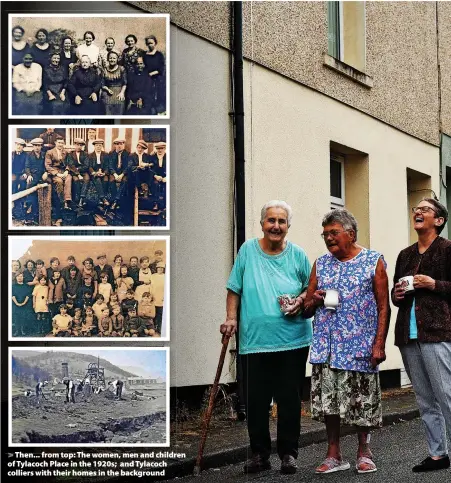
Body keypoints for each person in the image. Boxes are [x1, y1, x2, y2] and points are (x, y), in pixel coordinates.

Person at [221, 200, 312, 475]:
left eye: (281, 221)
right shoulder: (248, 250)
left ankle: (288, 454)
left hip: (293, 340)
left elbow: (312, 288)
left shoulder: (297, 255)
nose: (276, 226)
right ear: (262, 224)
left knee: (289, 400)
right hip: (254, 341)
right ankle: (259, 454)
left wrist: (301, 299)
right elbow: (234, 288)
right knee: (256, 402)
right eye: (271, 220)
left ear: (288, 226)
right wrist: (231, 318)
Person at [300, 208, 390, 474]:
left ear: (350, 234)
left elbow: (384, 307)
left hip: (360, 344)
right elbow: (306, 308)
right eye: (325, 234)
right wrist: (313, 300)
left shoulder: (373, 261)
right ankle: (334, 454)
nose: (328, 238)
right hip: (327, 347)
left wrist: (379, 343)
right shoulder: (321, 263)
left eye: (334, 233)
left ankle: (364, 451)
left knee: (361, 401)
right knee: (329, 402)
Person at [392, 198, 451, 473]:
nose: (417, 211)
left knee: (446, 395)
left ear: (438, 220)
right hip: (408, 333)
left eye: (424, 209)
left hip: (438, 331)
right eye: (415, 208)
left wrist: (434, 283)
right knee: (425, 399)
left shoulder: (448, 250)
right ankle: (438, 455)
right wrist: (397, 294)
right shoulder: (405, 255)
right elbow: (396, 296)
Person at [45, 137, 72, 215]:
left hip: (64, 171)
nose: (60, 144)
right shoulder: (49, 152)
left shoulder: (66, 152)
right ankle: (62, 202)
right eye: (59, 142)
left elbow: (69, 163)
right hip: (55, 172)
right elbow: (48, 166)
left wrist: (67, 171)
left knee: (68, 178)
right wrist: (57, 174)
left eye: (62, 143)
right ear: (55, 142)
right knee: (59, 181)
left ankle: (67, 200)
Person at [143, 35, 166, 114]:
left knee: (157, 97)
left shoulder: (159, 55)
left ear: (155, 43)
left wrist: (150, 74)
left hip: (157, 80)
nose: (150, 45)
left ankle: (157, 112)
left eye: (151, 43)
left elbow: (161, 69)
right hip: (146, 80)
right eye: (148, 43)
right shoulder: (144, 55)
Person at [101, 51, 127, 115]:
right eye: (110, 58)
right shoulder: (104, 70)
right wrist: (107, 89)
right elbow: (102, 84)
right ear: (107, 59)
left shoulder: (121, 69)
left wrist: (122, 93)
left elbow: (125, 83)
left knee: (119, 107)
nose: (112, 60)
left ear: (117, 59)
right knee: (106, 108)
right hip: (107, 91)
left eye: (114, 58)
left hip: (119, 91)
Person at [85, 139, 109, 207]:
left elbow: (107, 166)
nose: (98, 147)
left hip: (103, 172)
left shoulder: (105, 154)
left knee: (105, 180)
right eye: (97, 145)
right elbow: (89, 166)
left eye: (100, 145)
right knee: (97, 180)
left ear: (102, 146)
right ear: (94, 146)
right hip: (94, 173)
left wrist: (104, 173)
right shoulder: (90, 155)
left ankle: (100, 200)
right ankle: (103, 198)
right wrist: (94, 173)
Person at [65, 138, 89, 204]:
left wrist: (79, 169)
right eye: (77, 145)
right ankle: (77, 198)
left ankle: (82, 198)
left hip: (83, 171)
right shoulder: (70, 154)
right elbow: (71, 165)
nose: (79, 147)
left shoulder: (85, 154)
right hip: (74, 172)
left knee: (87, 179)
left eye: (81, 145)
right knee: (76, 180)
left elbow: (86, 165)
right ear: (75, 145)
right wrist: (78, 174)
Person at [108, 139, 129, 210]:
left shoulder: (127, 154)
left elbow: (128, 166)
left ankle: (116, 200)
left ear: (124, 145)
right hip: (114, 173)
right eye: (117, 144)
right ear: (115, 145)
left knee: (125, 181)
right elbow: (110, 165)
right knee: (111, 180)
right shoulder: (111, 153)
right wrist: (115, 174)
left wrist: (122, 174)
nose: (119, 146)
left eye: (121, 144)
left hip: (123, 173)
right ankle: (115, 199)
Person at [12, 270, 34, 337]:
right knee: (16, 318)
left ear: (23, 277)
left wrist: (23, 303)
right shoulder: (13, 286)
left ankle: (23, 330)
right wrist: (17, 303)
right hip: (15, 305)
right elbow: (12, 295)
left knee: (24, 317)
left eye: (21, 276)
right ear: (16, 277)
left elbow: (28, 295)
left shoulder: (26, 286)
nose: (19, 278)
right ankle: (17, 331)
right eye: (18, 276)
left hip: (25, 304)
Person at [151, 262, 165, 334]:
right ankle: (153, 328)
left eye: (161, 268)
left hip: (162, 299)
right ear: (156, 268)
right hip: (153, 298)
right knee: (153, 314)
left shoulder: (166, 276)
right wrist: (150, 296)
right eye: (159, 268)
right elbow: (151, 287)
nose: (160, 269)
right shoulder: (153, 276)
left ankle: (159, 328)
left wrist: (165, 297)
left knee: (160, 314)